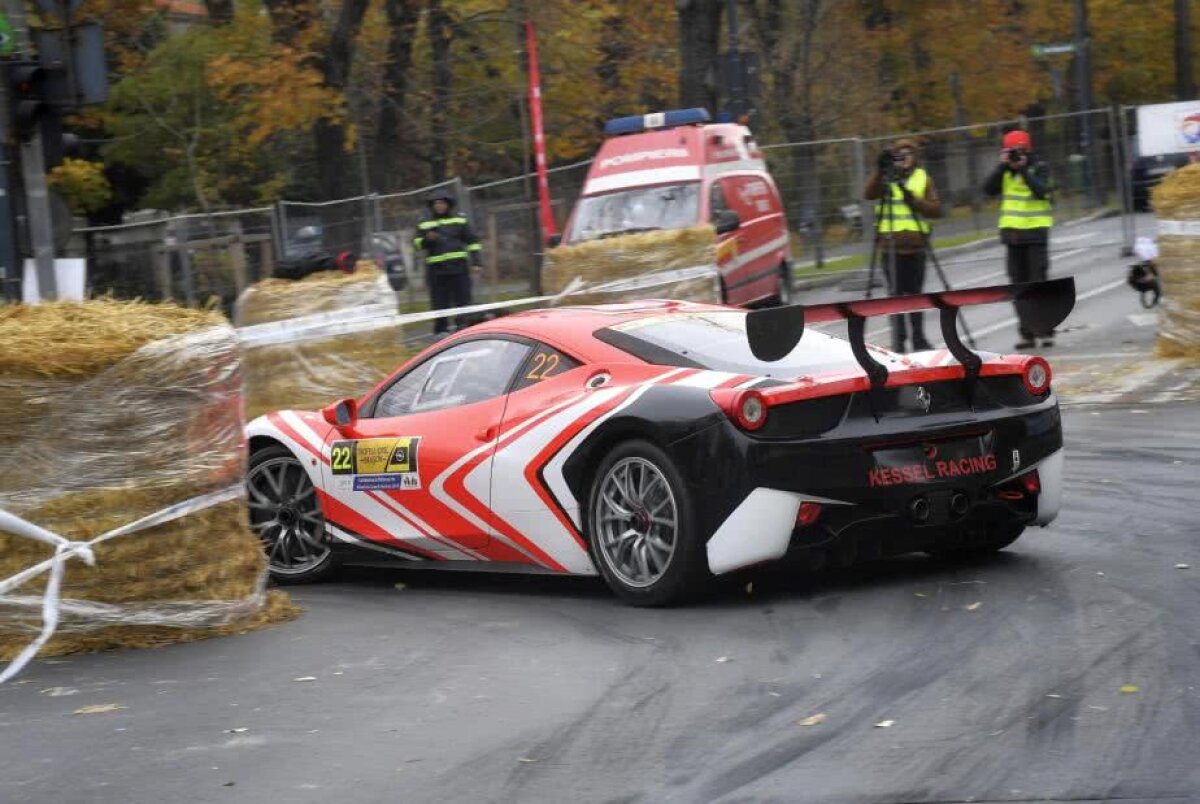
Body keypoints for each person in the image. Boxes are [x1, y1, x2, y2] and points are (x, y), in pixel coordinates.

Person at [863, 138, 944, 353]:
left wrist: (914, 201)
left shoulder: (922, 177)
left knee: (916, 295)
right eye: (900, 155)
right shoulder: (885, 179)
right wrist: (880, 171)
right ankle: (899, 340)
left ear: (915, 157)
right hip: (891, 248)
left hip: (916, 247)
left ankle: (919, 339)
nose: (905, 158)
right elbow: (869, 194)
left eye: (909, 154)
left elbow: (936, 210)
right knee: (895, 296)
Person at [983, 129, 1054, 349]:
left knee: (1038, 285)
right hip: (1013, 238)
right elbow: (987, 189)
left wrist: (1023, 170)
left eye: (1018, 151)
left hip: (1035, 235)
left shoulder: (1040, 167)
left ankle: (1045, 329)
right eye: (1010, 151)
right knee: (1018, 288)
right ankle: (1027, 333)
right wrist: (1002, 166)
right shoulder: (1004, 172)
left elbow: (1042, 191)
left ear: (1028, 150)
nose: (1014, 155)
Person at [413, 190, 483, 335]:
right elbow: (416, 244)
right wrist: (427, 239)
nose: (439, 206)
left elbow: (472, 241)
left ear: (448, 204)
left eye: (442, 203)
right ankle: (440, 333)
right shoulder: (424, 223)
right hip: (437, 272)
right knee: (439, 305)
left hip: (459, 270)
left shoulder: (460, 220)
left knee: (463, 303)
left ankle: (464, 331)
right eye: (436, 203)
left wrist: (476, 262)